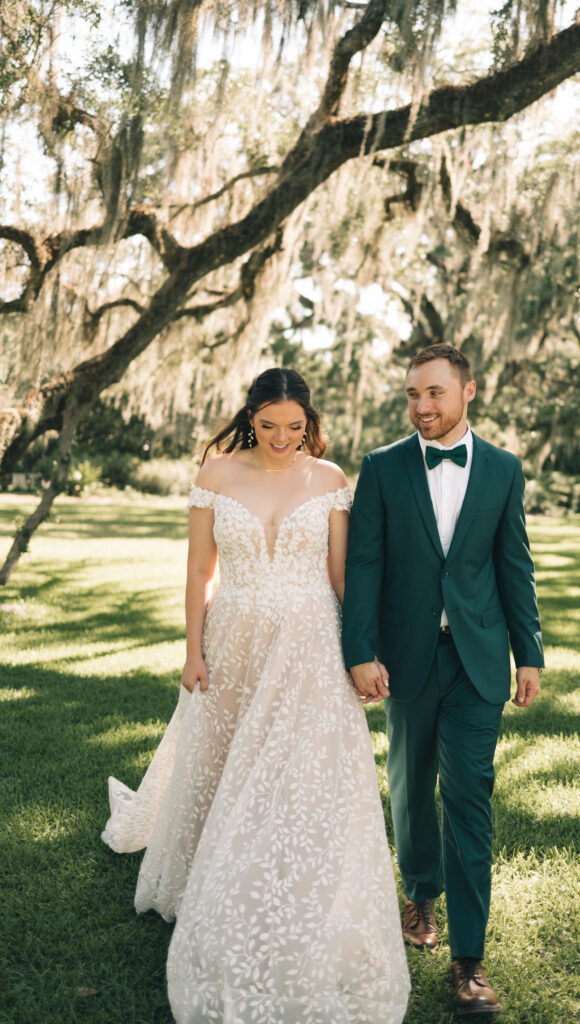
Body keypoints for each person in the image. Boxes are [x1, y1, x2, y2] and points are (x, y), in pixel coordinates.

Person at [102, 367, 410, 1024]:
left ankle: (294, 877)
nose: (282, 439)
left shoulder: (328, 481)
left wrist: (362, 650)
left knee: (298, 763)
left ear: (310, 424)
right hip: (233, 634)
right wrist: (192, 650)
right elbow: (198, 570)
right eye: (270, 426)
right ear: (251, 418)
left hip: (308, 639)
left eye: (295, 428)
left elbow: (339, 576)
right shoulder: (216, 474)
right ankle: (202, 874)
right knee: (218, 756)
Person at [342, 343, 544, 1016]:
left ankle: (469, 960)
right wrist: (359, 650)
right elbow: (364, 565)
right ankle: (419, 892)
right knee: (408, 781)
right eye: (412, 396)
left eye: (433, 393)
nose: (421, 406)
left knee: (469, 798)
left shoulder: (503, 470)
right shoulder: (382, 467)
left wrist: (530, 653)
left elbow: (513, 565)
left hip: (478, 659)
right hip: (405, 655)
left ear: (469, 392)